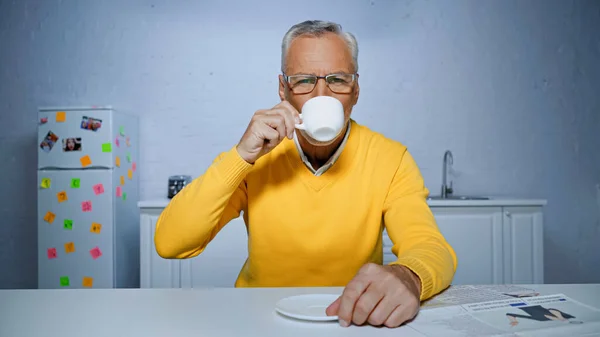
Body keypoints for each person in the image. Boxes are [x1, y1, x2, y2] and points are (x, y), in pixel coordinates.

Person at [154, 19, 457, 328]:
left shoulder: (391, 159)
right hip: (258, 319)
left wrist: (408, 275)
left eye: (338, 79)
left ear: (356, 91)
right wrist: (241, 157)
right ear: (283, 89)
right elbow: (170, 243)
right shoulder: (253, 157)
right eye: (303, 80)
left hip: (352, 318)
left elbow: (431, 247)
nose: (321, 95)